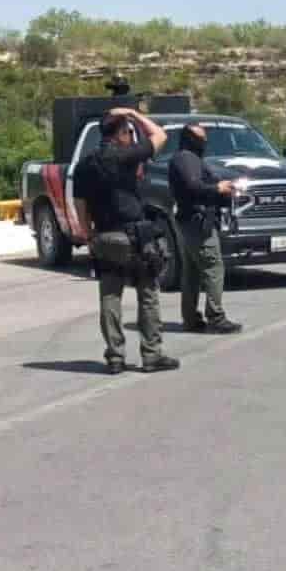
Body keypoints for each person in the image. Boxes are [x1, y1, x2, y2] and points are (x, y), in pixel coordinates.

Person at [75, 108, 180, 376]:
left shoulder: (85, 164)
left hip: (105, 236)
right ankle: (151, 355)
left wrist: (88, 234)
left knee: (110, 297)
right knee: (148, 294)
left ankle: (115, 357)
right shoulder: (127, 156)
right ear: (119, 134)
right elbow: (160, 135)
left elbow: (80, 204)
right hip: (134, 236)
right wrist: (134, 113)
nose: (132, 137)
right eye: (128, 132)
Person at [169, 121, 242, 335]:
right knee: (214, 268)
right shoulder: (186, 158)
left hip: (192, 221)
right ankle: (216, 317)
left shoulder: (188, 159)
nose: (204, 142)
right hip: (197, 222)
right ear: (190, 139)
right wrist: (218, 188)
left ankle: (190, 318)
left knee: (192, 271)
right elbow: (193, 186)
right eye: (200, 138)